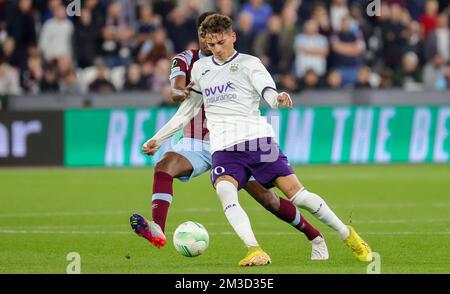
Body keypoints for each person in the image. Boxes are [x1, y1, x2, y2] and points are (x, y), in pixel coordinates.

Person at [155, 13, 372, 265]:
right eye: (211, 45)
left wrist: (277, 99)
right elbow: (188, 109)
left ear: (233, 37)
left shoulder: (250, 63)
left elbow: (267, 90)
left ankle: (348, 234)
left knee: (298, 196)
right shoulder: (201, 68)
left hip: (258, 141)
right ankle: (254, 249)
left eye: (221, 43)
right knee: (225, 190)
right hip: (224, 148)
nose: (217, 49)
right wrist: (159, 139)